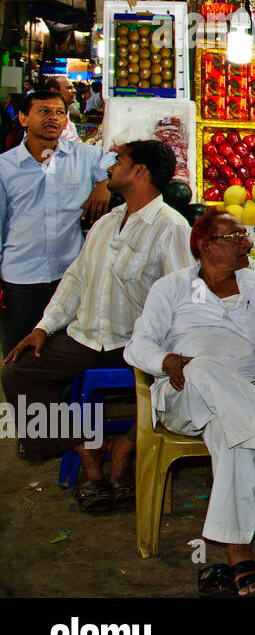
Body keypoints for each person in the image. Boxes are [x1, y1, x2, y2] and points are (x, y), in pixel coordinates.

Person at [125, 208, 255, 597]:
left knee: (234, 433)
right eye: (234, 237)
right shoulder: (172, 287)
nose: (247, 243)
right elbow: (137, 345)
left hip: (247, 397)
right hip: (185, 396)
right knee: (202, 367)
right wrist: (167, 361)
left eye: (245, 235)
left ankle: (238, 555)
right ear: (205, 246)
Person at [2, 140, 192, 511]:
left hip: (135, 342)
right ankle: (88, 451)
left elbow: (181, 298)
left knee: (179, 382)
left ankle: (122, 452)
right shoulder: (105, 223)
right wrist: (44, 327)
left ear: (140, 172)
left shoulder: (171, 227)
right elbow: (75, 280)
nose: (110, 168)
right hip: (85, 336)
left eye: (119, 161)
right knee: (17, 373)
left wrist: (168, 352)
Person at [0, 90, 114, 353]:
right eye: (44, 111)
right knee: (19, 356)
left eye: (60, 112)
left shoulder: (85, 156)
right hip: (20, 277)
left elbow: (119, 165)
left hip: (69, 277)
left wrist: (104, 182)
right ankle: (23, 397)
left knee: (59, 354)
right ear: (23, 118)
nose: (53, 117)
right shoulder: (5, 167)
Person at [41, 78, 81, 143]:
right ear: (54, 91)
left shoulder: (66, 113)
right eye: (69, 88)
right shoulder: (45, 117)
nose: (74, 91)